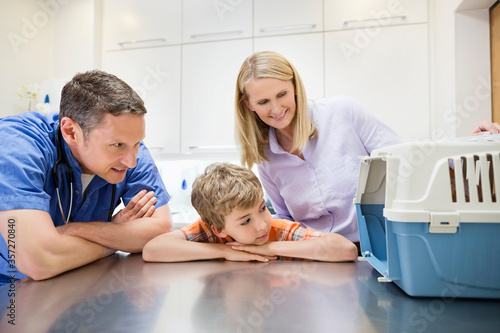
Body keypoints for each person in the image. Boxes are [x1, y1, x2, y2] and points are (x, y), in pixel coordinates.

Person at [234, 51, 500, 245]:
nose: (277, 109)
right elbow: (283, 217)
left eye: (282, 94)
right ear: (249, 105)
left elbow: (408, 162)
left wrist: (468, 148)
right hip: (317, 256)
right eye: (264, 101)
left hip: (377, 249)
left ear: (294, 86)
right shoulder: (265, 156)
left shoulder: (342, 112)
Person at [0, 70, 173, 281]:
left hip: (76, 286)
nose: (132, 161)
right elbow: (39, 260)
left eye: (137, 143)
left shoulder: (128, 144)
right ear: (71, 132)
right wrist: (117, 235)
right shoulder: (15, 145)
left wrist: (72, 231)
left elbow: (160, 230)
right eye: (117, 145)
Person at [142, 163, 358, 263]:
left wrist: (268, 247)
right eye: (245, 221)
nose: (262, 224)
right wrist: (225, 252)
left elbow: (346, 250)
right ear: (218, 229)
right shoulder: (209, 231)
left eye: (262, 208)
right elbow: (153, 250)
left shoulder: (277, 230)